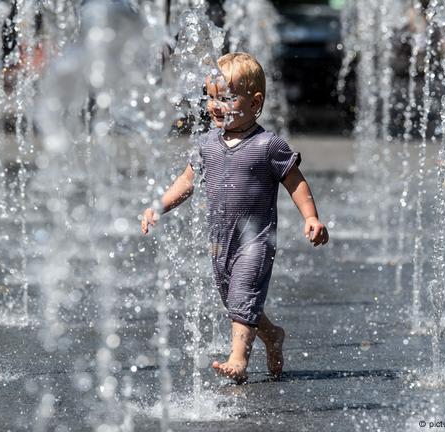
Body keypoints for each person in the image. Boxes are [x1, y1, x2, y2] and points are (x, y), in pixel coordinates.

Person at [140, 52, 328, 384]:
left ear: (255, 102)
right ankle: (272, 335)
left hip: (256, 241)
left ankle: (238, 359)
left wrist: (311, 217)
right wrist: (158, 205)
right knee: (237, 302)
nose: (215, 105)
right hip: (219, 243)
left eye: (226, 97)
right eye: (211, 96)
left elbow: (295, 181)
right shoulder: (206, 145)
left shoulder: (268, 145)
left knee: (243, 294)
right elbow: (186, 182)